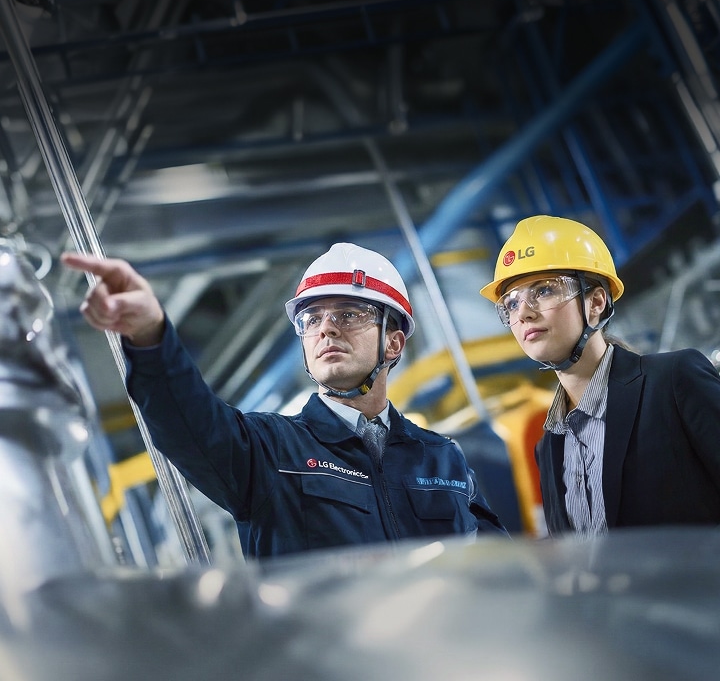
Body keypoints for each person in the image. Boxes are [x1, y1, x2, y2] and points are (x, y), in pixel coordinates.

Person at [63, 241, 507, 559]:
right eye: (312, 318)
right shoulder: (267, 450)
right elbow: (186, 418)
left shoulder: (443, 459)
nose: (326, 329)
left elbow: (498, 569)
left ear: (393, 343)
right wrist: (150, 335)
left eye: (349, 314)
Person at [479, 214, 720, 536]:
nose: (523, 312)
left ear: (595, 303)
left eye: (544, 290)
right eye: (510, 303)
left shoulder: (673, 382)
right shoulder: (550, 446)